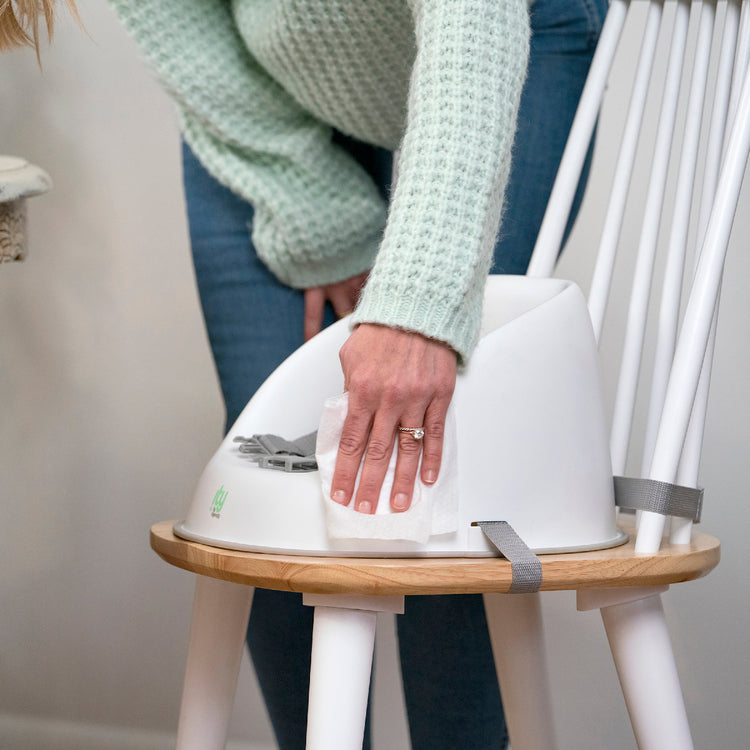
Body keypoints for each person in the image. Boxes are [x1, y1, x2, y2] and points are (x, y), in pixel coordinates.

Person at [115, 0, 608, 748]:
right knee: (269, 491)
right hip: (259, 82)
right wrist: (313, 205)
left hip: (492, 34)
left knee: (439, 473)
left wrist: (419, 300)